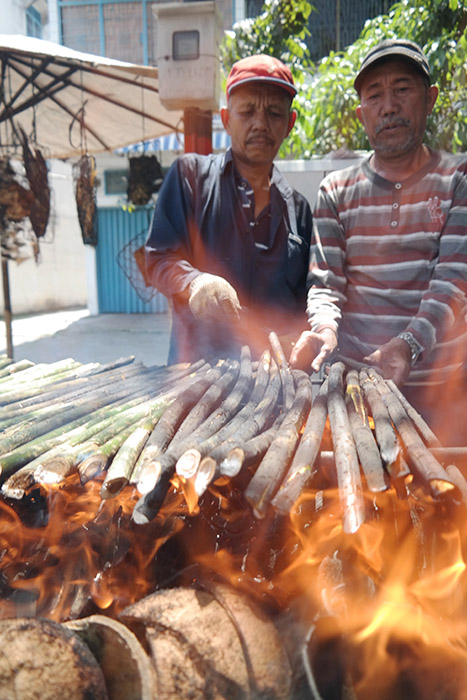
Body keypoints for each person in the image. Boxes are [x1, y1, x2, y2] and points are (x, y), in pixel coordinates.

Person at [290, 38, 467, 445]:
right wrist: (323, 329)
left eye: (402, 89)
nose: (389, 106)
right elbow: (325, 285)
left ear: (430, 98)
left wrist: (407, 346)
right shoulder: (336, 188)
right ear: (361, 113)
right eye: (375, 95)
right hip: (357, 389)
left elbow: (454, 284)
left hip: (442, 391)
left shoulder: (458, 179)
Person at [144, 54, 312, 364]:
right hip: (197, 383)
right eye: (247, 111)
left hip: (274, 387)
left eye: (274, 113)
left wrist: (299, 335)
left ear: (289, 124)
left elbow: (302, 300)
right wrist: (194, 282)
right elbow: (158, 259)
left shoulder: (299, 210)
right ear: (226, 118)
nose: (260, 124)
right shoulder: (189, 178)